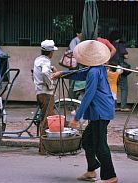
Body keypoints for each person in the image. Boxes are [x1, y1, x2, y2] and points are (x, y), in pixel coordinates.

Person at [51, 40, 118, 183]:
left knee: (100, 145)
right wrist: (62, 73)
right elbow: (80, 74)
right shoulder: (95, 68)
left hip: (101, 110)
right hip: (100, 109)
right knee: (87, 141)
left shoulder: (94, 71)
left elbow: (89, 95)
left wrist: (77, 118)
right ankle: (91, 170)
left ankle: (110, 177)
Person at [33, 39, 58, 155]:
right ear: (50, 52)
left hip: (39, 92)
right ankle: (43, 148)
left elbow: (43, 69)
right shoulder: (46, 62)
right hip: (46, 93)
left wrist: (52, 68)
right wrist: (50, 83)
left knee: (45, 117)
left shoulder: (38, 60)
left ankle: (44, 147)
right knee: (47, 120)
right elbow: (44, 73)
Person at [109, 30, 130, 112]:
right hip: (119, 68)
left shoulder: (110, 45)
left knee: (113, 86)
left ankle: (114, 105)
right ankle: (123, 106)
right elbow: (126, 56)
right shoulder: (120, 45)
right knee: (124, 87)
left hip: (111, 68)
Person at [68, 28, 84, 100]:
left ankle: (75, 100)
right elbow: (73, 52)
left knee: (77, 83)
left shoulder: (81, 41)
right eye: (81, 33)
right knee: (72, 83)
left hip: (79, 64)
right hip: (74, 65)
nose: (82, 34)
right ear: (77, 34)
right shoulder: (74, 41)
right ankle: (71, 101)